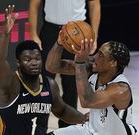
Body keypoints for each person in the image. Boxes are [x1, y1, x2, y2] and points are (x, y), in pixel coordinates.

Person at [0, 5, 88, 135]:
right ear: (18, 63)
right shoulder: (11, 84)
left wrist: (83, 118)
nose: (34, 63)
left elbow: (62, 111)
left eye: (37, 58)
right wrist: (5, 35)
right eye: (27, 59)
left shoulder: (50, 85)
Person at [45, 34, 137, 134]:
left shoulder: (120, 89)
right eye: (98, 52)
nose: (95, 57)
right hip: (91, 130)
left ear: (113, 63)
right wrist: (60, 43)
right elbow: (52, 67)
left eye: (101, 55)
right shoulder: (93, 68)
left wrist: (80, 63)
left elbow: (86, 102)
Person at [29, 0, 101, 128]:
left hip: (78, 32)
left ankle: (67, 129)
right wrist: (33, 33)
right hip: (51, 31)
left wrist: (94, 35)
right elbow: (34, 3)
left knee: (72, 88)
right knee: (43, 86)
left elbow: (94, 4)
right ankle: (40, 128)